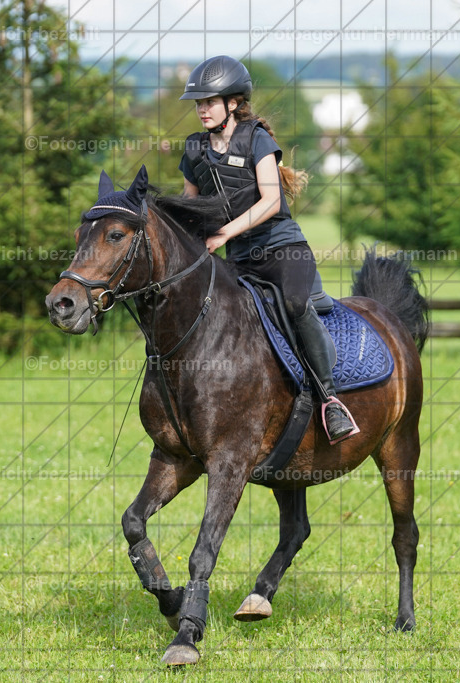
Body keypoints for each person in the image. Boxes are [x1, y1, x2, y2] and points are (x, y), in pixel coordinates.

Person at [177, 55, 359, 445]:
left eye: (209, 102)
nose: (202, 109)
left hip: (281, 250)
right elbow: (189, 206)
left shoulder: (257, 137)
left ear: (233, 102)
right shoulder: (194, 149)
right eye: (198, 103)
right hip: (237, 259)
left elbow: (270, 202)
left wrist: (224, 233)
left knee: (294, 305)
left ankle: (330, 400)